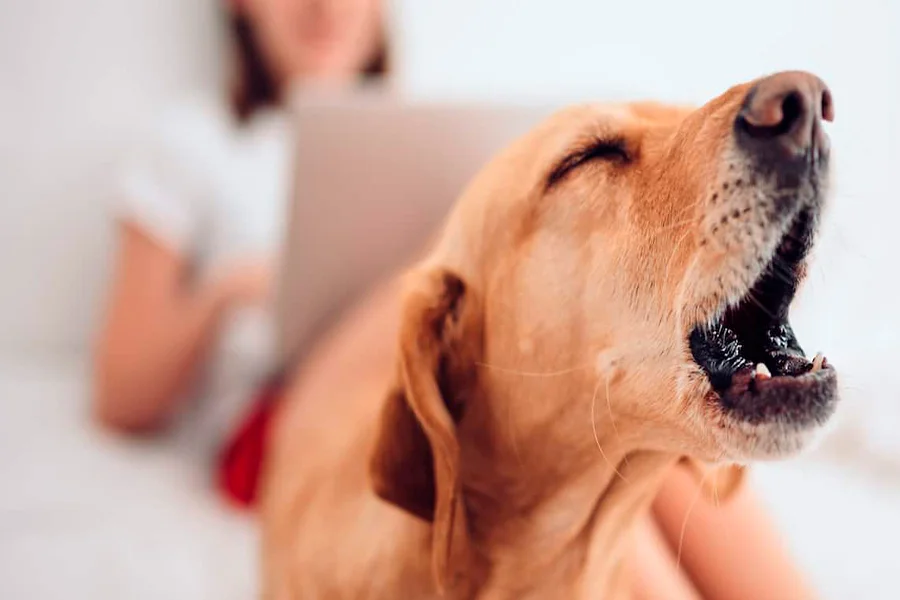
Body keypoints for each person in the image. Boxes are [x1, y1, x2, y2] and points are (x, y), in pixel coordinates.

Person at [92, 1, 814, 596]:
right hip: (285, 408)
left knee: (607, 420)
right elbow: (121, 392)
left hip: (463, 364)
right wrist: (231, 290)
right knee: (568, 417)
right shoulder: (196, 143)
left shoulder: (427, 128)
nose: (321, 7)